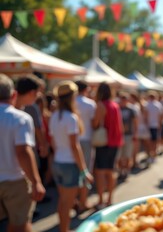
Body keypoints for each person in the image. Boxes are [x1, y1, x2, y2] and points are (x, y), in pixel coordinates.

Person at [0, 74, 45, 232]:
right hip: (15, 181)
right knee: (20, 224)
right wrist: (36, 181)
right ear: (13, 95)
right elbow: (23, 152)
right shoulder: (20, 118)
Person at [49, 81, 94, 232]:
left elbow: (54, 143)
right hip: (69, 164)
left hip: (58, 162)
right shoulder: (71, 118)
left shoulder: (54, 116)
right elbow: (75, 147)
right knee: (66, 204)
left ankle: (64, 228)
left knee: (63, 202)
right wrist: (84, 170)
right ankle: (64, 229)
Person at [92, 82, 123, 209]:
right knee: (111, 171)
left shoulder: (100, 105)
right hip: (115, 142)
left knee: (100, 172)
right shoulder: (115, 105)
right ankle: (110, 199)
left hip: (103, 142)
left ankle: (100, 200)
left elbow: (95, 124)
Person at [75, 80, 96, 212]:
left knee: (75, 172)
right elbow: (94, 124)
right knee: (85, 171)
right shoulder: (90, 104)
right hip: (86, 139)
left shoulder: (70, 103)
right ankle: (83, 202)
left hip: (71, 141)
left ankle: (76, 201)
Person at [117, 92, 137, 180]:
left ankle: (126, 170)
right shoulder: (117, 109)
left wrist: (135, 134)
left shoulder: (131, 110)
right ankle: (121, 170)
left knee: (127, 155)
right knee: (120, 156)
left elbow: (135, 122)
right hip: (119, 135)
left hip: (128, 135)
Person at [145, 91, 163, 164]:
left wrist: (146, 124)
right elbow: (161, 116)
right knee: (155, 142)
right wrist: (160, 125)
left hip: (149, 126)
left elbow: (146, 116)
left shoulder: (147, 104)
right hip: (156, 125)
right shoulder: (158, 105)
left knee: (150, 142)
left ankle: (151, 155)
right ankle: (154, 156)